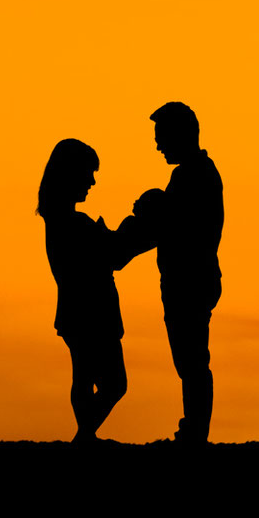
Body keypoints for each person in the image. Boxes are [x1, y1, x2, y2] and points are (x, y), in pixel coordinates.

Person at [37, 138, 154, 444]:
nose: (91, 181)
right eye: (88, 172)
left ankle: (85, 437)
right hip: (92, 312)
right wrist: (141, 227)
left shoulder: (61, 221)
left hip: (76, 312)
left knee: (85, 377)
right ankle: (84, 436)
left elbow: (110, 253)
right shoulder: (72, 224)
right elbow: (113, 255)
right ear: (70, 174)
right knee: (113, 383)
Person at [141, 101, 224, 445]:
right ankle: (193, 428)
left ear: (182, 134)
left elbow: (181, 228)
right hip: (186, 280)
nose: (158, 145)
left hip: (191, 280)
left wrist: (153, 212)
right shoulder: (190, 174)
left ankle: (195, 432)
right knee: (189, 359)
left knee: (192, 360)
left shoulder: (196, 175)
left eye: (162, 136)